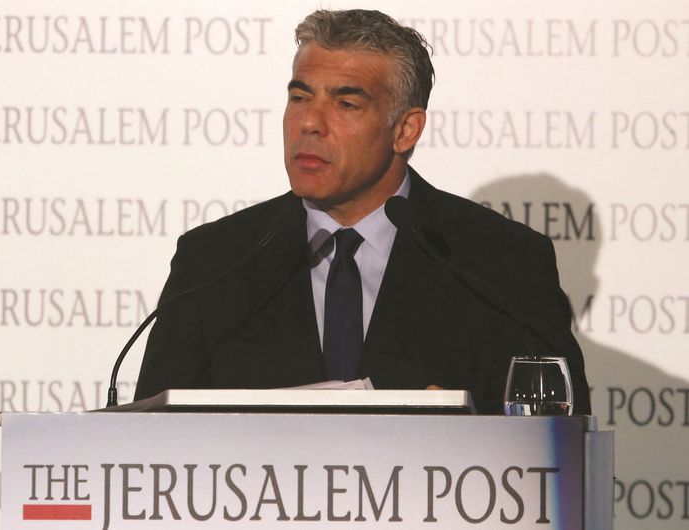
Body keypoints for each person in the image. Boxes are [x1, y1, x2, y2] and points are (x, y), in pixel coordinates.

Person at [134, 9, 591, 415]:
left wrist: (466, 431)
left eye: (346, 103)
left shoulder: (499, 263)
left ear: (405, 130)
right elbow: (148, 441)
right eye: (299, 97)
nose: (309, 123)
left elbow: (558, 439)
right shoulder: (214, 261)